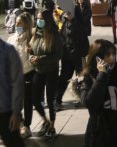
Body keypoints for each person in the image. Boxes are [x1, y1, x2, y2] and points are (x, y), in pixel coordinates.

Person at [28, 9, 63, 140]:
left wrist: (41, 58)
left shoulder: (55, 35)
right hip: (38, 70)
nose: (38, 21)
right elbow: (33, 50)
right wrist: (31, 54)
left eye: (41, 19)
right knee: (35, 99)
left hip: (51, 71)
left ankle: (52, 126)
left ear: (47, 20)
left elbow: (58, 55)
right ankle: (46, 122)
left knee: (50, 100)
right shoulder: (36, 33)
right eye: (37, 18)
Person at [6, 12, 33, 140]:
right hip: (14, 76)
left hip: (28, 74)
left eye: (20, 23)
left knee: (27, 101)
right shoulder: (11, 39)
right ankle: (19, 122)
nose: (17, 25)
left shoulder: (31, 38)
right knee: (15, 102)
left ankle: (26, 126)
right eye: (16, 22)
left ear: (26, 24)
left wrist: (31, 51)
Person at [55, 11, 88, 110]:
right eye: (66, 13)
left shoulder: (78, 22)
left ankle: (84, 99)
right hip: (67, 57)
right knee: (64, 78)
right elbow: (63, 38)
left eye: (69, 13)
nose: (66, 14)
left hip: (77, 56)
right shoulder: (64, 23)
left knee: (82, 78)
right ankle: (57, 100)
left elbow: (82, 36)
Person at [0, 36, 25, 147]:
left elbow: (17, 84)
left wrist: (16, 112)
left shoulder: (8, 51)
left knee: (14, 143)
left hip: (6, 112)